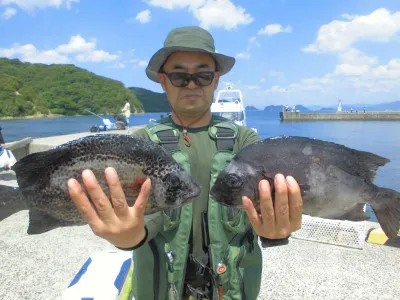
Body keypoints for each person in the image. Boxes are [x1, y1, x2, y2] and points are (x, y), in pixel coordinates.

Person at [67, 26, 303, 300]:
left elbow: (266, 205)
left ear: (215, 80)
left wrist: (275, 230)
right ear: (163, 81)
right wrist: (127, 236)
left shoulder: (245, 141)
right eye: (179, 76)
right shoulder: (142, 142)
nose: (191, 84)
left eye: (202, 75)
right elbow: (140, 217)